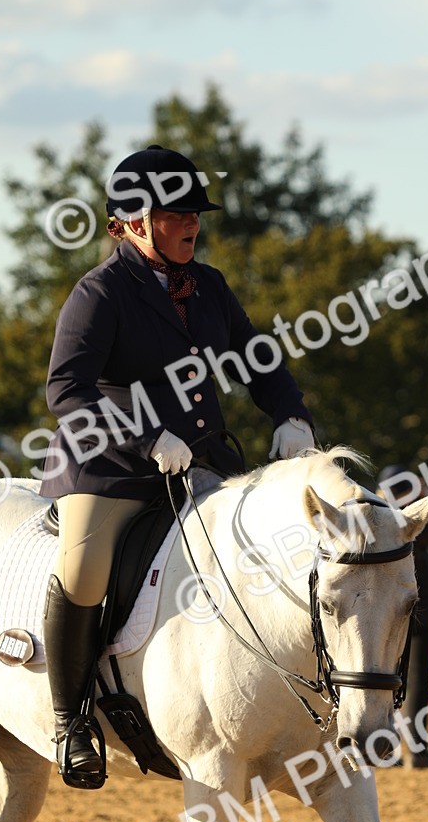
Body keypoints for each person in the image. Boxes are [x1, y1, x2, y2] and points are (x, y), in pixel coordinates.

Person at [40, 144, 314, 788]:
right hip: (109, 467)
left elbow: (260, 360)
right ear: (133, 221)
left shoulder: (210, 286)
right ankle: (70, 720)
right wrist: (145, 439)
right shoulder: (99, 293)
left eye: (195, 210)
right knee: (82, 572)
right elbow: (66, 393)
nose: (192, 221)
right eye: (175, 212)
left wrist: (291, 416)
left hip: (196, 464)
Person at [377, 464, 428, 768]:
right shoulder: (401, 516)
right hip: (405, 606)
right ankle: (413, 750)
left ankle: (401, 750)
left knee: (397, 680)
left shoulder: (380, 513)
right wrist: (421, 498)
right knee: (402, 680)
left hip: (403, 607)